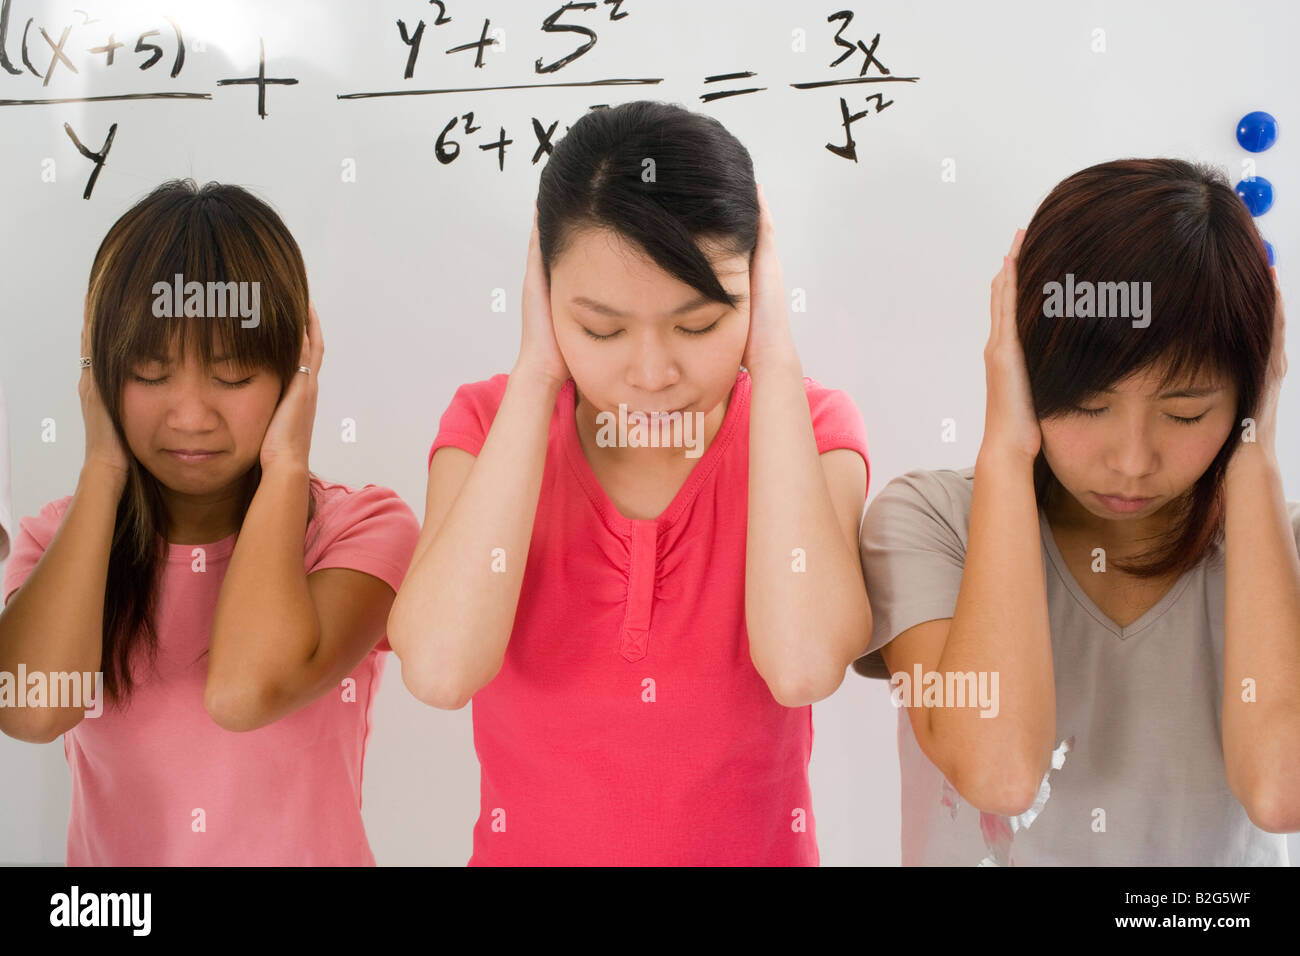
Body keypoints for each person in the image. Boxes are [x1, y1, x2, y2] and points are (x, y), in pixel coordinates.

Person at [388, 100, 873, 865]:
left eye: (700, 326)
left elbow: (805, 665)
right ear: (545, 297)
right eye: (602, 330)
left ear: (759, 292)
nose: (652, 376)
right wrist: (538, 370)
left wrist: (774, 361)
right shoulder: (489, 425)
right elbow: (442, 671)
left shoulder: (808, 430)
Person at [854, 158, 1297, 865]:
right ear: (1021, 369)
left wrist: (1256, 459)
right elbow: (999, 773)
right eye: (1088, 406)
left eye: (1185, 414)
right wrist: (1006, 451)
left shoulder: (1285, 550)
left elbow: (1281, 792)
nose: (1131, 459)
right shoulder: (931, 522)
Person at [0, 180, 419, 865]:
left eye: (231, 377)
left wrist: (286, 464)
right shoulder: (58, 541)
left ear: (294, 368)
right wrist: (102, 468)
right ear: (102, 370)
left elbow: (244, 692)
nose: (191, 417)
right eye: (149, 372)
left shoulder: (362, 529)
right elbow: (33, 712)